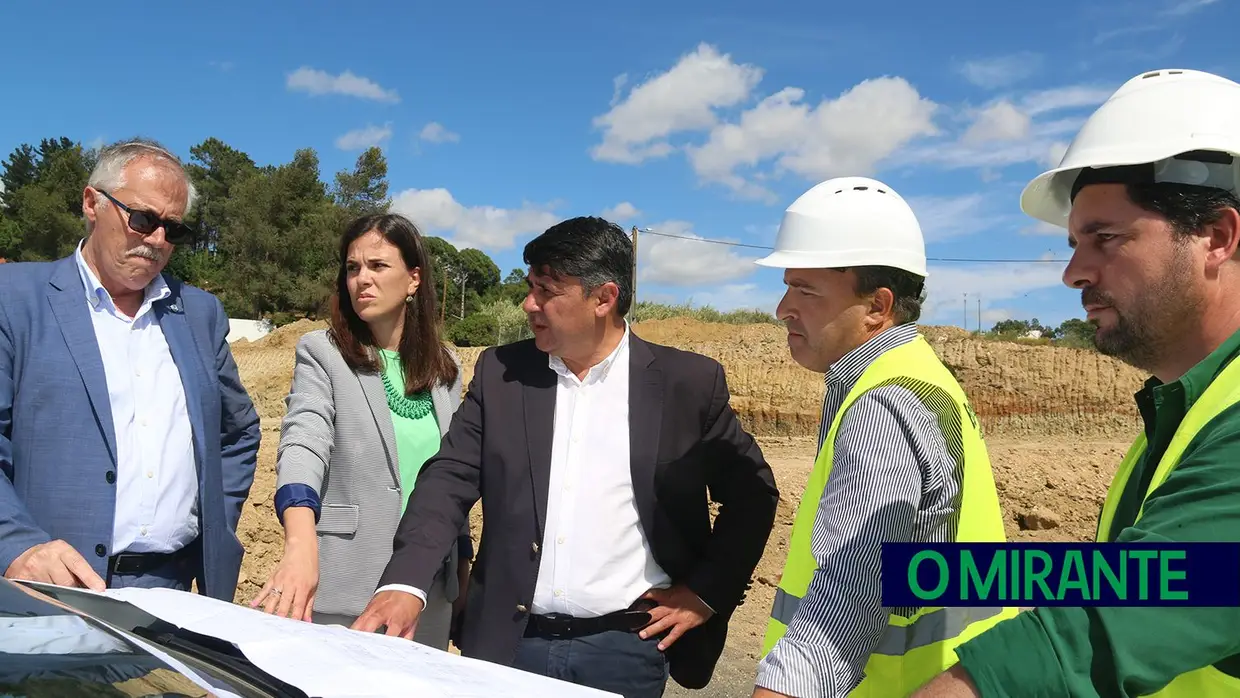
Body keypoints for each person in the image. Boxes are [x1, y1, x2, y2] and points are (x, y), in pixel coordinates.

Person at [350, 216, 780, 697]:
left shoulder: (687, 384)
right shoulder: (502, 373)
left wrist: (704, 594)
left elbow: (753, 496)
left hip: (626, 648)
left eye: (547, 290)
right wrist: (406, 583)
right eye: (529, 286)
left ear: (604, 298)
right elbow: (447, 480)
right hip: (508, 643)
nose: (528, 303)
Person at [912, 68, 1240, 698]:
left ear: (1216, 238)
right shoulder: (1184, 412)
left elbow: (1122, 618)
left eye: (1105, 238)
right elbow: (1140, 577)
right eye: (1072, 243)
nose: (1071, 273)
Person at [749, 176, 1019, 698]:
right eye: (786, 286)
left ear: (878, 305)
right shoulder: (924, 378)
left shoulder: (882, 404)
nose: (783, 308)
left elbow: (845, 609)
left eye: (805, 290)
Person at [0, 137, 261, 600]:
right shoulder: (15, 299)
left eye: (173, 229)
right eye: (143, 219)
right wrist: (15, 542)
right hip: (43, 591)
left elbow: (237, 432)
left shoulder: (199, 314)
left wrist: (214, 523)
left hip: (171, 591)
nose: (157, 240)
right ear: (92, 203)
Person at [248, 212, 469, 649]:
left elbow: (455, 475)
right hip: (344, 588)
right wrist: (299, 541)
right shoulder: (322, 354)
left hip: (426, 594)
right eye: (352, 268)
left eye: (378, 266)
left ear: (414, 279)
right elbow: (303, 442)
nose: (361, 279)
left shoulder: (447, 370)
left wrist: (461, 564)